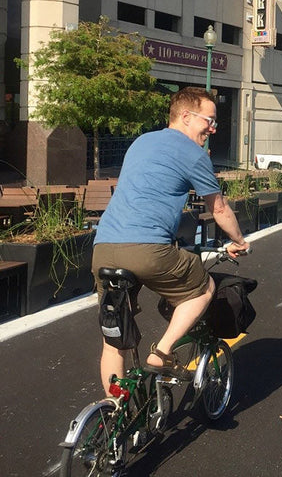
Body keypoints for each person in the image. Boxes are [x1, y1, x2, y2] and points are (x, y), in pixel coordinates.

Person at [92, 87, 250, 395]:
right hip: (147, 250)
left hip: (104, 248)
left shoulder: (141, 142)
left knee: (114, 338)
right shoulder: (192, 153)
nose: (213, 128)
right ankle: (162, 353)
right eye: (209, 120)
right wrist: (240, 240)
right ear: (187, 116)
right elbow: (218, 208)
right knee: (203, 288)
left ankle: (115, 418)